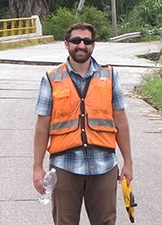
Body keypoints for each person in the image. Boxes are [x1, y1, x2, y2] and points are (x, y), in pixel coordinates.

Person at [33, 22, 133, 225]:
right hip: (64, 168)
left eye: (87, 41)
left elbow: (120, 121)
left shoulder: (110, 75)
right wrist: (37, 167)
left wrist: (128, 162)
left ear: (93, 45)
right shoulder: (51, 78)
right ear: (66, 44)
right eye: (76, 40)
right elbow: (42, 125)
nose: (81, 45)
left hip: (103, 167)